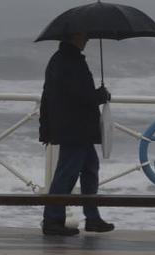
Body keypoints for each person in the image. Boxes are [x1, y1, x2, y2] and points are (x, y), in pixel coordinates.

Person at [39, 32, 113, 236]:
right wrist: (101, 95)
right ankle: (53, 220)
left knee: (90, 168)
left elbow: (61, 94)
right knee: (67, 172)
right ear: (73, 37)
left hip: (76, 128)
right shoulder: (68, 62)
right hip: (74, 128)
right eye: (84, 35)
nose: (87, 39)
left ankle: (92, 217)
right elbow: (80, 95)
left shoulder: (63, 60)